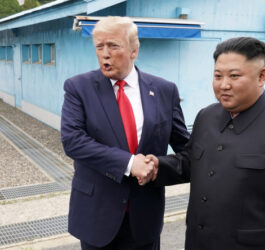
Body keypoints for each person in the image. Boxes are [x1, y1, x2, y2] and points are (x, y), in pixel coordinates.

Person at [145, 37, 265, 250]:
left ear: (261, 76)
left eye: (234, 76)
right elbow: (191, 162)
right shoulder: (206, 116)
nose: (224, 85)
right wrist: (156, 166)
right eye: (218, 76)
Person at [60, 16, 189, 250]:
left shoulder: (164, 90)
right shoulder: (78, 87)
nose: (105, 54)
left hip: (144, 217)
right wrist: (130, 163)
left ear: (133, 51)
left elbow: (186, 149)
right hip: (96, 216)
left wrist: (158, 167)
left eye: (113, 46)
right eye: (99, 47)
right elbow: (73, 141)